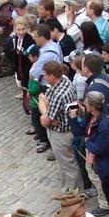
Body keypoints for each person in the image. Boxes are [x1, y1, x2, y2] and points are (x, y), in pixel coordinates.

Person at [36, 61, 80, 190]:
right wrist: (48, 110)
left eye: (45, 75)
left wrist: (43, 107)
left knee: (68, 165)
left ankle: (74, 194)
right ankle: (67, 190)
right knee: (64, 164)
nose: (43, 77)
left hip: (61, 134)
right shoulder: (64, 79)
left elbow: (44, 121)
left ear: (52, 76)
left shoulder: (59, 95)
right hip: (64, 127)